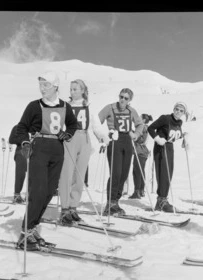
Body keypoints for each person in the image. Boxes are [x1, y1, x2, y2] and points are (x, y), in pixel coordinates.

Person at [15, 71, 78, 250]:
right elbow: (21, 128)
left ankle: (33, 227)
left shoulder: (65, 106)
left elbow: (73, 124)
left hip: (57, 150)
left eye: (46, 85)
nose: (42, 88)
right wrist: (25, 142)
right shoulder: (34, 106)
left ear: (55, 86)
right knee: (38, 192)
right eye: (41, 84)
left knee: (49, 192)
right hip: (40, 148)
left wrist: (69, 133)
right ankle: (25, 233)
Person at [58, 79, 110, 225]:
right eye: (71, 89)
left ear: (82, 90)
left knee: (79, 176)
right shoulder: (65, 106)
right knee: (66, 175)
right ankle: (64, 209)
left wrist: (102, 136)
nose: (72, 92)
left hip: (84, 139)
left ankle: (73, 207)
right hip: (70, 139)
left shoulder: (88, 106)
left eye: (75, 89)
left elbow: (95, 125)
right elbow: (59, 124)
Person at [98, 88, 144, 216]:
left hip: (127, 141)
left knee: (124, 174)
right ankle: (110, 203)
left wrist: (136, 134)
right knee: (116, 173)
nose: (122, 100)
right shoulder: (110, 108)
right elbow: (97, 121)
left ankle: (115, 202)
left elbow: (140, 124)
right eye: (121, 97)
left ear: (130, 100)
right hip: (115, 140)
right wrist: (104, 136)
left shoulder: (131, 111)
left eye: (126, 98)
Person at [147, 102, 188, 212]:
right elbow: (150, 128)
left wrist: (183, 137)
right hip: (161, 147)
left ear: (184, 113)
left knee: (169, 174)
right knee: (163, 174)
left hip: (170, 148)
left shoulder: (179, 122)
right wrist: (157, 139)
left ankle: (162, 200)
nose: (178, 112)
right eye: (177, 109)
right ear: (173, 109)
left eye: (181, 110)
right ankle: (161, 201)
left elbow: (174, 135)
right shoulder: (165, 118)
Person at [129, 114, 153, 199]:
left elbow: (140, 139)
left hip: (140, 151)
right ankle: (141, 190)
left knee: (137, 171)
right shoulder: (146, 127)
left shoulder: (142, 127)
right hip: (143, 152)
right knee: (141, 171)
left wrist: (131, 133)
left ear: (143, 120)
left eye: (140, 117)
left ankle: (137, 191)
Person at [8, 124, 27, 204]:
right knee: (20, 174)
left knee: (34, 175)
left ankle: (30, 195)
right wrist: (23, 140)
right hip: (21, 151)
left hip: (34, 152)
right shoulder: (18, 127)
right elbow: (11, 140)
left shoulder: (36, 128)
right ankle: (17, 195)